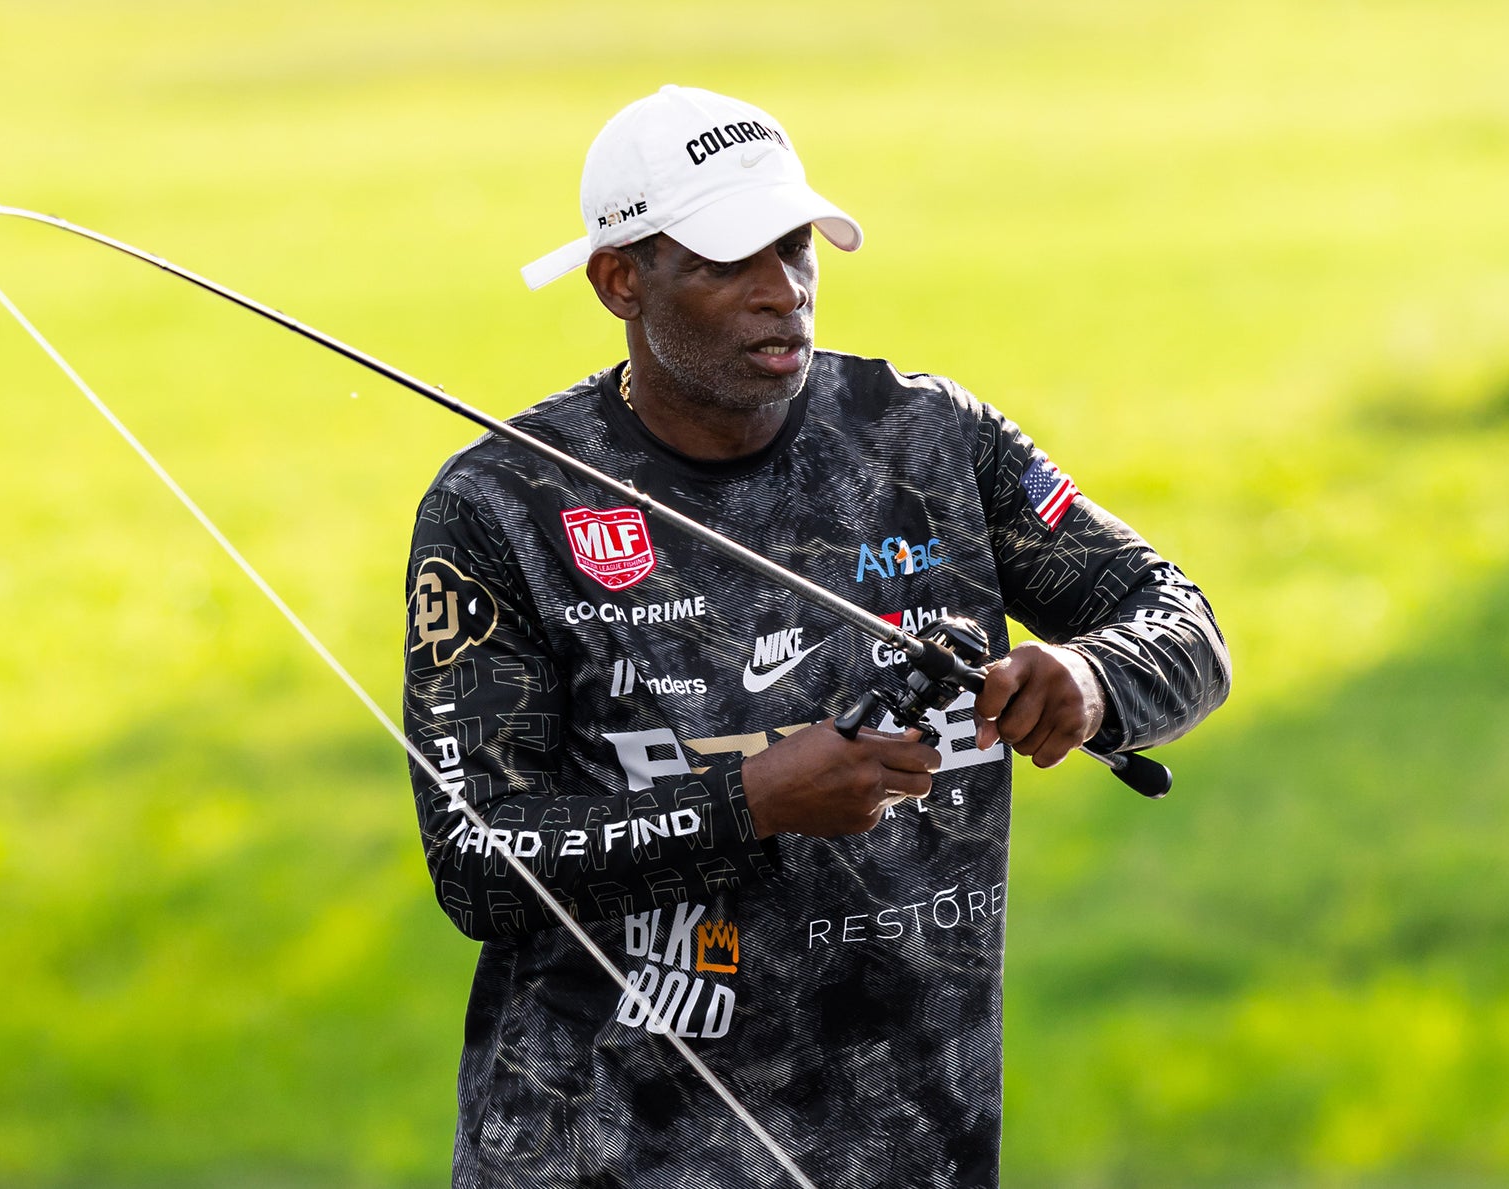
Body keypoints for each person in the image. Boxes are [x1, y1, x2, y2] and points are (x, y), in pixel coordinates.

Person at [403, 84, 1230, 1189]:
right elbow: (478, 862)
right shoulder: (500, 503)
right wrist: (751, 804)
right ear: (620, 281)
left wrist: (1090, 677)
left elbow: (1182, 621)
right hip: (602, 1152)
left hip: (909, 1144)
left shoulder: (930, 437)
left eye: (796, 247)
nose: (781, 292)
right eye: (727, 260)